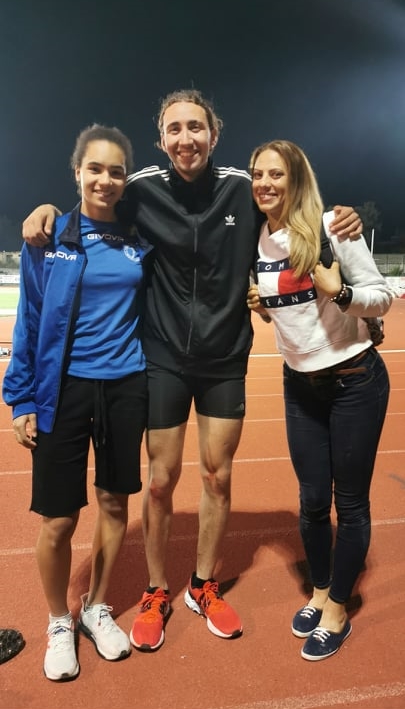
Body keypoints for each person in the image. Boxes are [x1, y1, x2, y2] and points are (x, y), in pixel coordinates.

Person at [21, 89, 363, 653]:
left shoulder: (240, 188)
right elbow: (93, 201)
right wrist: (48, 212)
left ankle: (203, 585)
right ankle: (157, 589)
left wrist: (339, 216)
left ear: (214, 133)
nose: (186, 139)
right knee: (159, 482)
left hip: (224, 359)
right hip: (161, 359)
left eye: (196, 127)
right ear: (161, 139)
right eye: (175, 129)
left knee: (216, 477)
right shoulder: (141, 189)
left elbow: (291, 203)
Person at [3, 124, 151, 680]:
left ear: (125, 178)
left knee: (115, 505)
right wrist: (21, 399)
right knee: (58, 520)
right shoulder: (49, 238)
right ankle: (58, 621)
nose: (105, 180)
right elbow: (29, 321)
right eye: (95, 169)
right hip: (62, 391)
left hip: (125, 386)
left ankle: (96, 607)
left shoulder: (140, 237)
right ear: (77, 173)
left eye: (116, 171)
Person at [247, 139, 392, 661]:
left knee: (349, 504)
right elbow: (292, 311)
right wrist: (265, 307)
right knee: (311, 501)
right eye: (257, 174)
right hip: (300, 387)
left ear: (296, 180)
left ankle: (337, 609)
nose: (264, 184)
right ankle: (320, 588)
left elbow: (384, 296)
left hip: (354, 382)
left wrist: (342, 293)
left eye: (276, 174)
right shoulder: (256, 239)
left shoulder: (332, 226)